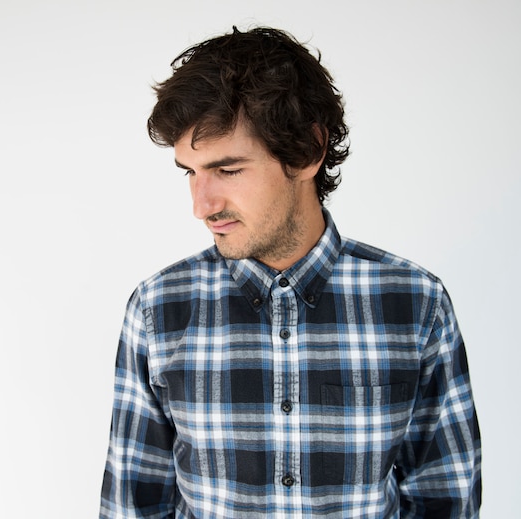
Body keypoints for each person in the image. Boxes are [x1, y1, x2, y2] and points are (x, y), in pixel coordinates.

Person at [100, 27, 481, 518]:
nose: (201, 205)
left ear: (306, 152)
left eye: (228, 170)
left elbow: (444, 498)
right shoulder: (158, 309)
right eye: (190, 172)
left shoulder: (415, 304)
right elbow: (134, 503)